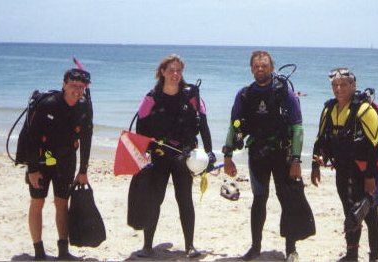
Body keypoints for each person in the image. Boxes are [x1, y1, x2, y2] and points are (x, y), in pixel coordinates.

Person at [222, 50, 314, 261]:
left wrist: (296, 160)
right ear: (251, 69)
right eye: (256, 66)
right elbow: (234, 126)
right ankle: (255, 247)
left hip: (282, 155)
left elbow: (298, 128)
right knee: (259, 200)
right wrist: (227, 155)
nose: (260, 69)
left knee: (287, 198)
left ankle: (291, 249)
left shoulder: (284, 93)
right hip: (257, 155)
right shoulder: (244, 95)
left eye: (264, 65)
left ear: (272, 67)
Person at [134, 54, 215, 258]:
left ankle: (190, 246)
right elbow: (140, 128)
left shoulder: (192, 95)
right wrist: (141, 155)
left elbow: (203, 125)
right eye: (171, 70)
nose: (175, 74)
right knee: (155, 200)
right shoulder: (151, 97)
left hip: (184, 157)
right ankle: (147, 246)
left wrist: (210, 151)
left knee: (185, 199)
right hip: (160, 156)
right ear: (162, 72)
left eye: (179, 70)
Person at [311, 67, 378, 262]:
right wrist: (315, 165)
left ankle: (374, 258)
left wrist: (370, 178)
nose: (339, 89)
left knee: (369, 215)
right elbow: (320, 140)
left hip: (363, 172)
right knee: (349, 213)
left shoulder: (365, 110)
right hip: (342, 171)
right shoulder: (329, 109)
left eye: (343, 84)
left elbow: (376, 148)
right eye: (335, 85)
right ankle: (351, 255)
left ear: (353, 85)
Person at [24, 66, 93, 260]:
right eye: (73, 85)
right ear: (64, 85)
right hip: (42, 159)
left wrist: (83, 170)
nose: (77, 90)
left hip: (66, 160)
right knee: (37, 202)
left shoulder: (84, 106)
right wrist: (32, 169)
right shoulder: (48, 104)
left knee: (62, 203)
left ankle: (63, 251)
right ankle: (39, 252)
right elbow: (32, 137)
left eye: (81, 86)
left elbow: (87, 138)